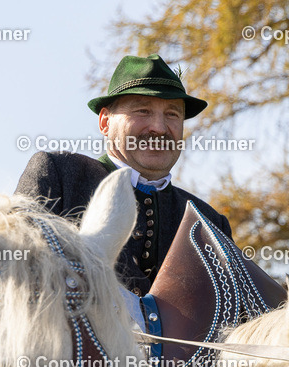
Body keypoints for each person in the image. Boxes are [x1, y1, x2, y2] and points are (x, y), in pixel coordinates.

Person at [16, 53, 233, 296]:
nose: (159, 128)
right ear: (105, 123)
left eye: (172, 114)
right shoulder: (59, 176)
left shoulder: (209, 223)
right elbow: (13, 280)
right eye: (143, 111)